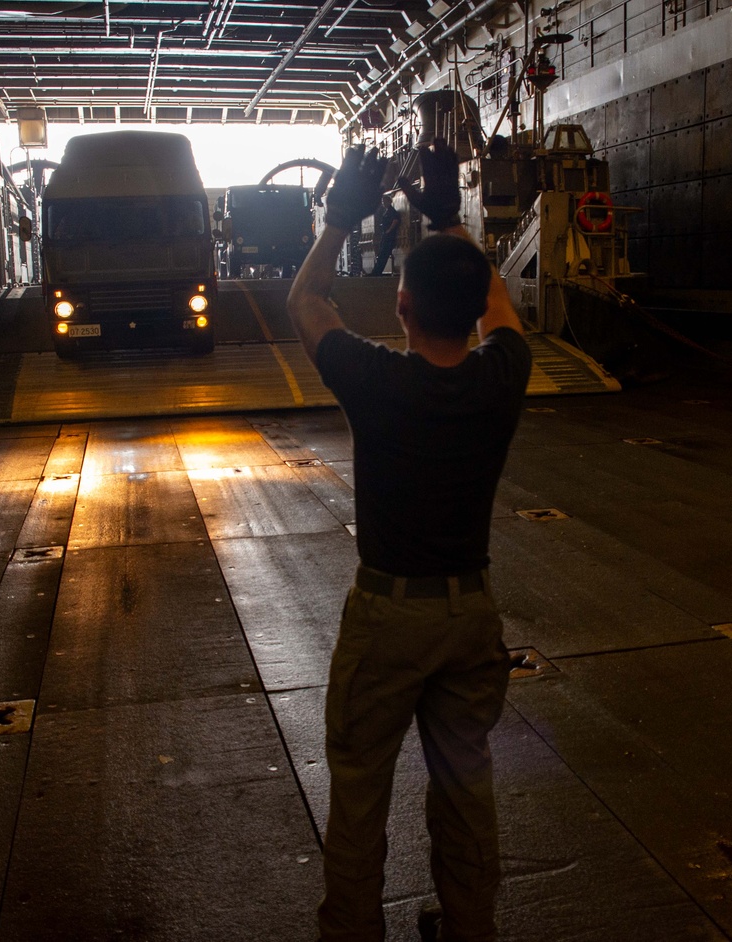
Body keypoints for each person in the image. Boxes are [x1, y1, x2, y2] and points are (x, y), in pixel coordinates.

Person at [286, 141, 532, 942]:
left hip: (389, 614)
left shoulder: (377, 380)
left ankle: (353, 930)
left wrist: (337, 221)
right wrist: (451, 221)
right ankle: (468, 927)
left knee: (360, 786)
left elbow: (307, 301)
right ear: (471, 311)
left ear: (401, 309)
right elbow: (498, 308)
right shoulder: (504, 373)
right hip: (471, 614)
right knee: (467, 785)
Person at [369, 193, 401, 275]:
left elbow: (395, 221)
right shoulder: (386, 211)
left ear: (389, 201)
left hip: (389, 237)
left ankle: (377, 272)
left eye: (384, 201)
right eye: (382, 202)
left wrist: (389, 230)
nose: (383, 203)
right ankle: (376, 271)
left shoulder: (392, 211)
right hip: (386, 236)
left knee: (383, 254)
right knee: (381, 254)